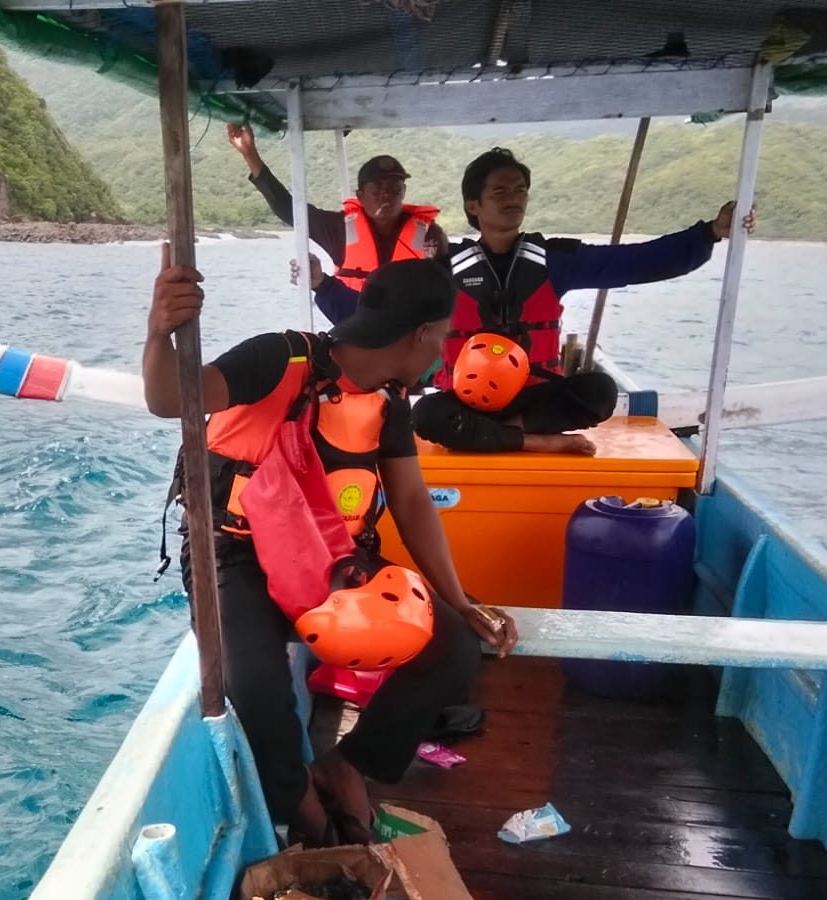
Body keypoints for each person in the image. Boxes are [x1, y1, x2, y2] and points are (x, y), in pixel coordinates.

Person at [145, 249, 519, 846]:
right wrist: (160, 331)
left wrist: (460, 599)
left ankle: (349, 766)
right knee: (256, 685)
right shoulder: (277, 357)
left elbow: (412, 502)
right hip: (231, 552)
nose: (445, 352)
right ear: (422, 334)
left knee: (450, 646)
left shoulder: (392, 401)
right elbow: (171, 398)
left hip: (331, 559)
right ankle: (310, 821)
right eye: (445, 337)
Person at [412, 147, 756, 455]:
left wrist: (710, 232)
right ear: (473, 205)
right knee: (426, 414)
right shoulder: (443, 269)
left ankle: (498, 435)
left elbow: (637, 261)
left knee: (601, 391)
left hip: (533, 399)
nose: (513, 198)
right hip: (469, 400)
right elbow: (392, 305)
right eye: (499, 191)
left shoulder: (556, 259)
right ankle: (533, 441)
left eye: (520, 190)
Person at [229, 123, 448, 323]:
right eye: (376, 190)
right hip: (355, 328)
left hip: (410, 338)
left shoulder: (430, 235)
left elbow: (444, 294)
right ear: (360, 196)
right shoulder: (339, 229)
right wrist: (250, 155)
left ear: (404, 193)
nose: (386, 197)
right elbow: (290, 210)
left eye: (394, 190)